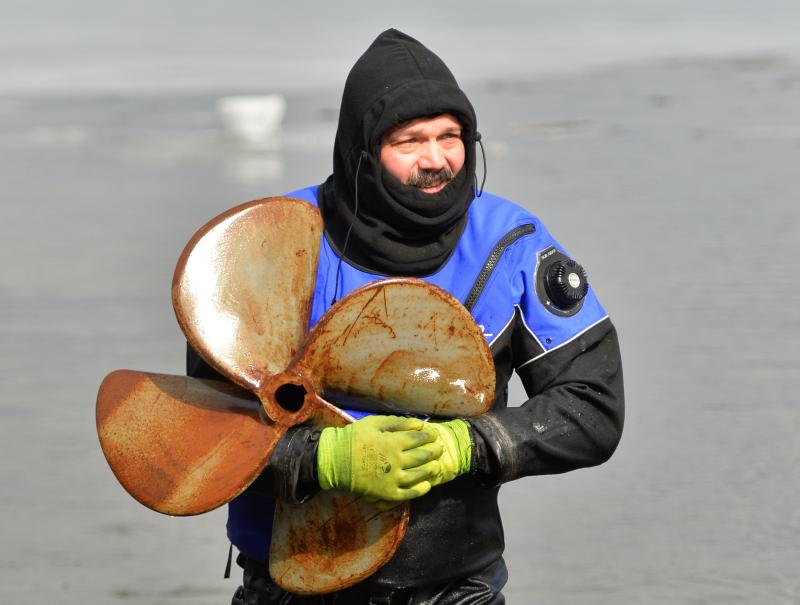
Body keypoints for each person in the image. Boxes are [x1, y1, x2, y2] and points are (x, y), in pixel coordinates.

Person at [188, 28, 624, 604]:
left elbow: (592, 406)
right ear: (362, 150)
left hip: (453, 583)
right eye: (410, 141)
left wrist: (468, 447)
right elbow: (204, 431)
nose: (437, 160)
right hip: (287, 581)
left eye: (452, 136)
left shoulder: (511, 245)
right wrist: (326, 459)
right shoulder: (273, 243)